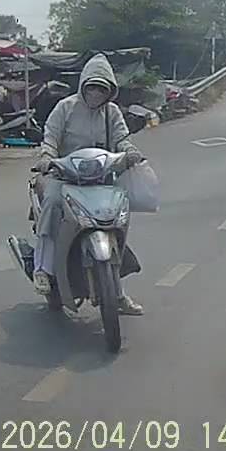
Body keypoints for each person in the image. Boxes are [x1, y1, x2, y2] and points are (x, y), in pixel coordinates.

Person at [32, 54, 145, 315]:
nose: (95, 93)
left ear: (110, 91)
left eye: (102, 89)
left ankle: (118, 294)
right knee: (51, 203)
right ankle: (43, 269)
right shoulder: (65, 107)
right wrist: (47, 157)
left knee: (119, 217)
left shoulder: (111, 113)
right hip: (65, 179)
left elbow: (122, 139)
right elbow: (50, 137)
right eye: (92, 87)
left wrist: (130, 151)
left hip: (101, 182)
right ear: (83, 85)